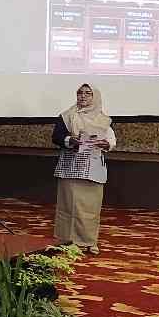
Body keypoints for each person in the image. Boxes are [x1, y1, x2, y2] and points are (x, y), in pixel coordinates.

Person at [51, 84, 115, 253]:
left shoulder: (103, 119)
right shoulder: (67, 116)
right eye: (80, 93)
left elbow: (111, 141)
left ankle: (88, 241)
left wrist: (105, 144)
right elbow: (56, 137)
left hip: (93, 168)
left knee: (90, 208)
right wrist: (70, 140)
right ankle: (65, 241)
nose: (83, 96)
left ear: (95, 97)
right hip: (71, 166)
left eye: (88, 93)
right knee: (68, 206)